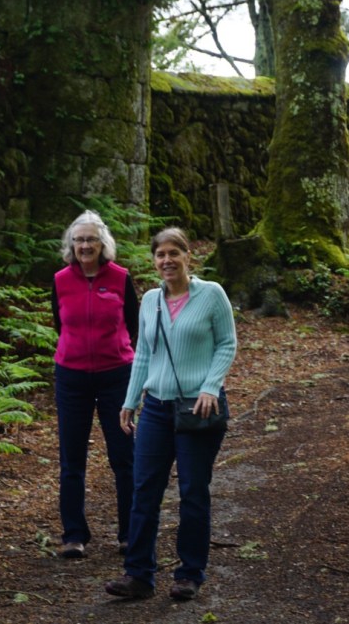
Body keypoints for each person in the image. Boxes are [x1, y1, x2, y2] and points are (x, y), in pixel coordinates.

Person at [105, 227, 237, 602]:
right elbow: (143, 355)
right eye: (160, 254)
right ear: (154, 260)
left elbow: (227, 343)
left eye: (173, 253)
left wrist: (211, 385)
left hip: (199, 407)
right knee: (144, 490)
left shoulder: (212, 295)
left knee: (193, 492)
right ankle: (139, 575)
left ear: (187, 256)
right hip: (156, 409)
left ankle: (189, 573)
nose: (167, 260)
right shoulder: (150, 300)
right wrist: (130, 402)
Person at [51, 210, 140, 559]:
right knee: (72, 460)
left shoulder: (120, 278)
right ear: (71, 245)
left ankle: (129, 533)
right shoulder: (60, 280)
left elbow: (132, 325)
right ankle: (74, 535)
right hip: (71, 377)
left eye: (91, 239)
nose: (85, 245)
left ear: (103, 244)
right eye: (79, 240)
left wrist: (114, 351)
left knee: (124, 457)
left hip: (116, 375)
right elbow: (60, 323)